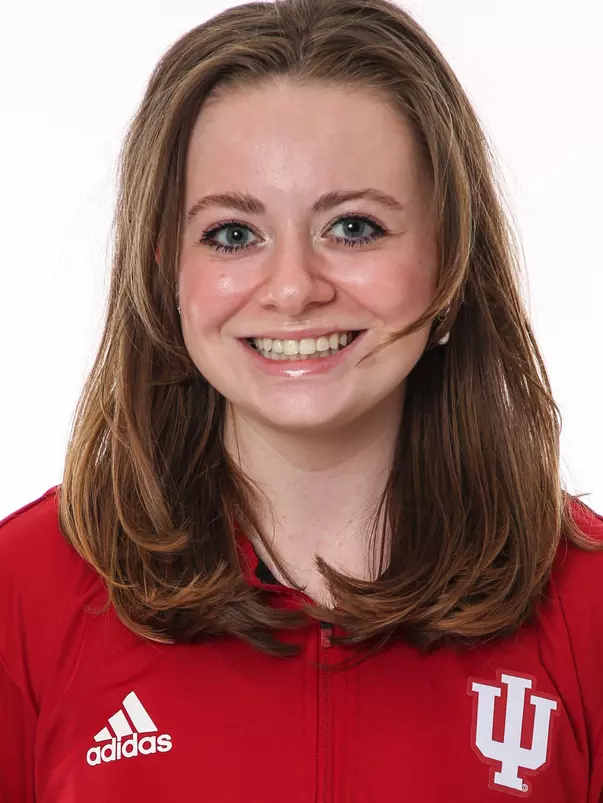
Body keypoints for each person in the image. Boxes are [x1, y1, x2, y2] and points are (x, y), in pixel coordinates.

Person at [1, 0, 602, 800]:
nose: (291, 289)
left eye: (353, 227)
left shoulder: (586, 607)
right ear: (166, 270)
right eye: (231, 234)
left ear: (451, 256)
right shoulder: (24, 593)